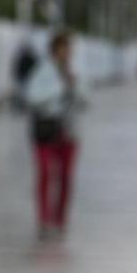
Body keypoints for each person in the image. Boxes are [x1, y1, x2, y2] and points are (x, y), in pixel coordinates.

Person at [23, 31, 87, 240]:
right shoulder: (42, 70)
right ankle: (43, 219)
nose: (66, 53)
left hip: (69, 131)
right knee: (45, 173)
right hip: (46, 129)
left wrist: (75, 86)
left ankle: (60, 220)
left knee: (66, 177)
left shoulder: (77, 70)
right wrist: (59, 89)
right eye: (62, 48)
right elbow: (31, 96)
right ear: (53, 49)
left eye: (68, 49)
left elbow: (86, 99)